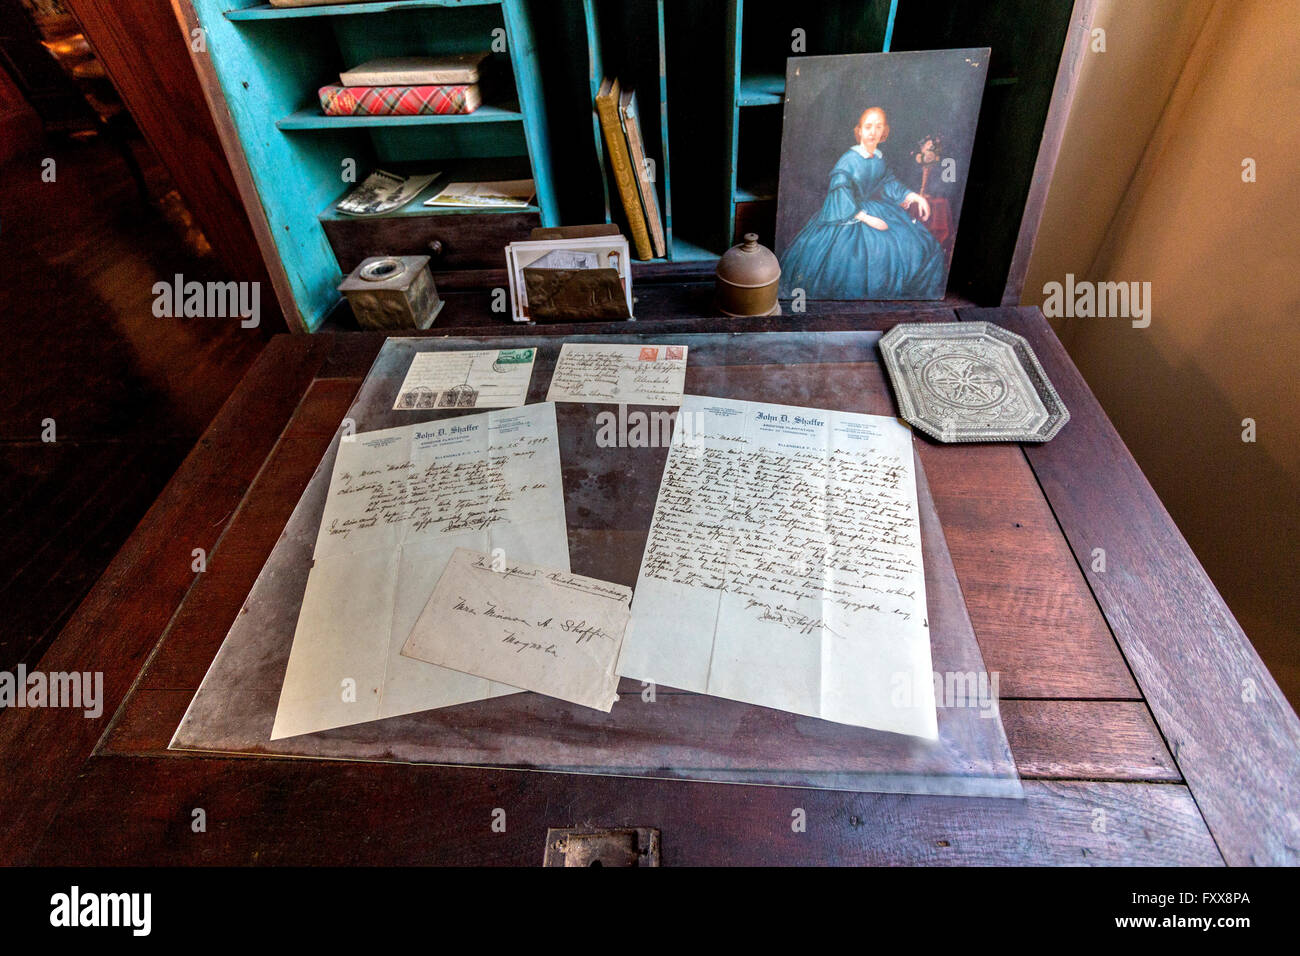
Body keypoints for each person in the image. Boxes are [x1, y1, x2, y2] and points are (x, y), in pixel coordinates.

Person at [779, 107, 944, 299]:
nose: (873, 132)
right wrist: (866, 218)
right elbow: (839, 194)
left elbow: (888, 182)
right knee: (860, 261)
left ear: (885, 132)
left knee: (918, 246)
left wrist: (913, 196)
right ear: (858, 131)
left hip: (875, 209)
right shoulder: (848, 160)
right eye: (868, 127)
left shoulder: (879, 158)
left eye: (878, 126)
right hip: (848, 215)